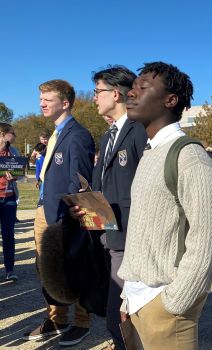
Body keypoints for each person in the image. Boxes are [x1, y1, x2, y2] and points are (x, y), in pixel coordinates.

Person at [117, 61, 212, 349]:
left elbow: (208, 236)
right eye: (132, 87)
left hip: (167, 306)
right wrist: (129, 294)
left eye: (142, 87)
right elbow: (144, 232)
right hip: (139, 302)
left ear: (170, 100)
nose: (131, 92)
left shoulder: (189, 156)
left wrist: (177, 301)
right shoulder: (151, 154)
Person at [70, 65, 146, 350]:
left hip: (130, 240)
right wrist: (85, 203)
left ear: (116, 94)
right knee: (116, 314)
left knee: (120, 317)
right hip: (105, 234)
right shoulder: (107, 135)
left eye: (97, 92)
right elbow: (101, 187)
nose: (94, 99)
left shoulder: (139, 130)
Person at [23, 79, 95, 346]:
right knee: (47, 270)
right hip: (45, 210)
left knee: (74, 267)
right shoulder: (54, 133)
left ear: (65, 103)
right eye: (40, 98)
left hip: (65, 215)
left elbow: (80, 181)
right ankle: (57, 319)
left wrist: (71, 216)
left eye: (48, 99)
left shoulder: (77, 135)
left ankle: (82, 321)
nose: (41, 103)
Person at [0, 123, 20, 282]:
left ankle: (10, 270)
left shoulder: (13, 151)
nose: (14, 136)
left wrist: (16, 176)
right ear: (2, 134)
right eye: (12, 133)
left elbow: (19, 171)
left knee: (8, 235)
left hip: (10, 198)